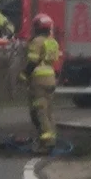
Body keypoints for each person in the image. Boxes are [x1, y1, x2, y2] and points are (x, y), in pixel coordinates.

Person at [20, 13, 61, 154]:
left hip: (39, 79)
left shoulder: (37, 42)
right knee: (48, 110)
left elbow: (32, 61)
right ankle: (51, 139)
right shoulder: (53, 42)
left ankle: (46, 143)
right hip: (51, 78)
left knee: (39, 111)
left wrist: (24, 74)